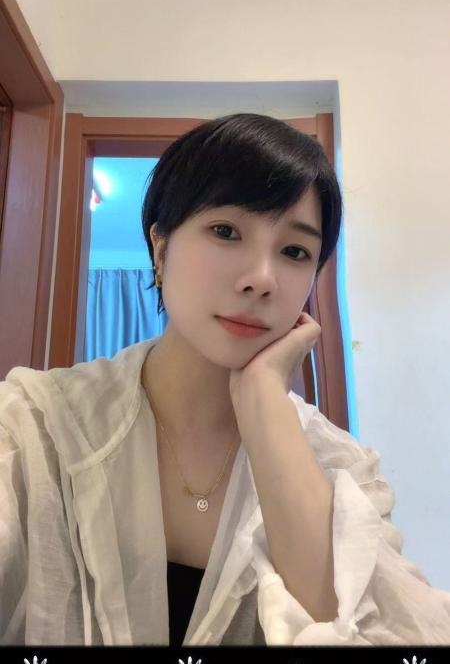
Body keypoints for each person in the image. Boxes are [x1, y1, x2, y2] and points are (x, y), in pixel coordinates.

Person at [1, 113, 449, 646]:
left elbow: (360, 631)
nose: (261, 278)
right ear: (160, 249)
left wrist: (264, 401)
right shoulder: (33, 427)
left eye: (294, 251)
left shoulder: (341, 470)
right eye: (225, 231)